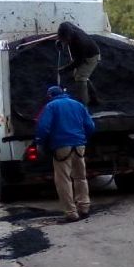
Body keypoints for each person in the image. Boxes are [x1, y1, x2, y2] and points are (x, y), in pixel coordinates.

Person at [35, 85, 96, 223]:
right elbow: (90, 126)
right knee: (80, 177)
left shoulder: (51, 106)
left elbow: (43, 127)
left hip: (62, 147)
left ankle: (71, 212)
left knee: (64, 180)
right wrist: (82, 138)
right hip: (79, 146)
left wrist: (40, 143)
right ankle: (84, 207)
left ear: (50, 96)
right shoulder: (78, 105)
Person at [56, 21, 100, 106]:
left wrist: (65, 69)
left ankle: (83, 105)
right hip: (82, 53)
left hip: (91, 56)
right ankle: (93, 98)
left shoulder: (80, 42)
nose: (65, 41)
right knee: (79, 74)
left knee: (80, 77)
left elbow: (79, 62)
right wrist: (60, 42)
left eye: (65, 40)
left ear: (69, 37)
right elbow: (62, 35)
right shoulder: (65, 26)